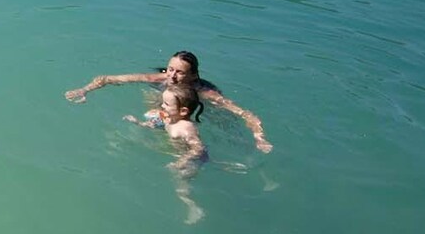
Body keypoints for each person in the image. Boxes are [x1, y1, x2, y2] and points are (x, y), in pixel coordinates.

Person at [65, 50, 271, 152]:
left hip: (188, 109)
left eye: (179, 73)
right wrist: (84, 90)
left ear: (194, 75)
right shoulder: (160, 79)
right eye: (170, 69)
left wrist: (259, 137)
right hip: (165, 108)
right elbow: (109, 78)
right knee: (154, 109)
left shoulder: (206, 93)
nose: (171, 76)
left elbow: (245, 113)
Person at [124, 83, 208, 224]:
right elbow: (155, 125)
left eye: (167, 104)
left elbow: (198, 149)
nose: (162, 106)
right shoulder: (169, 119)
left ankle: (193, 207)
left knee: (181, 182)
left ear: (183, 111)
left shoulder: (186, 128)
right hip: (181, 155)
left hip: (193, 159)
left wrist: (182, 161)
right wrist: (138, 123)